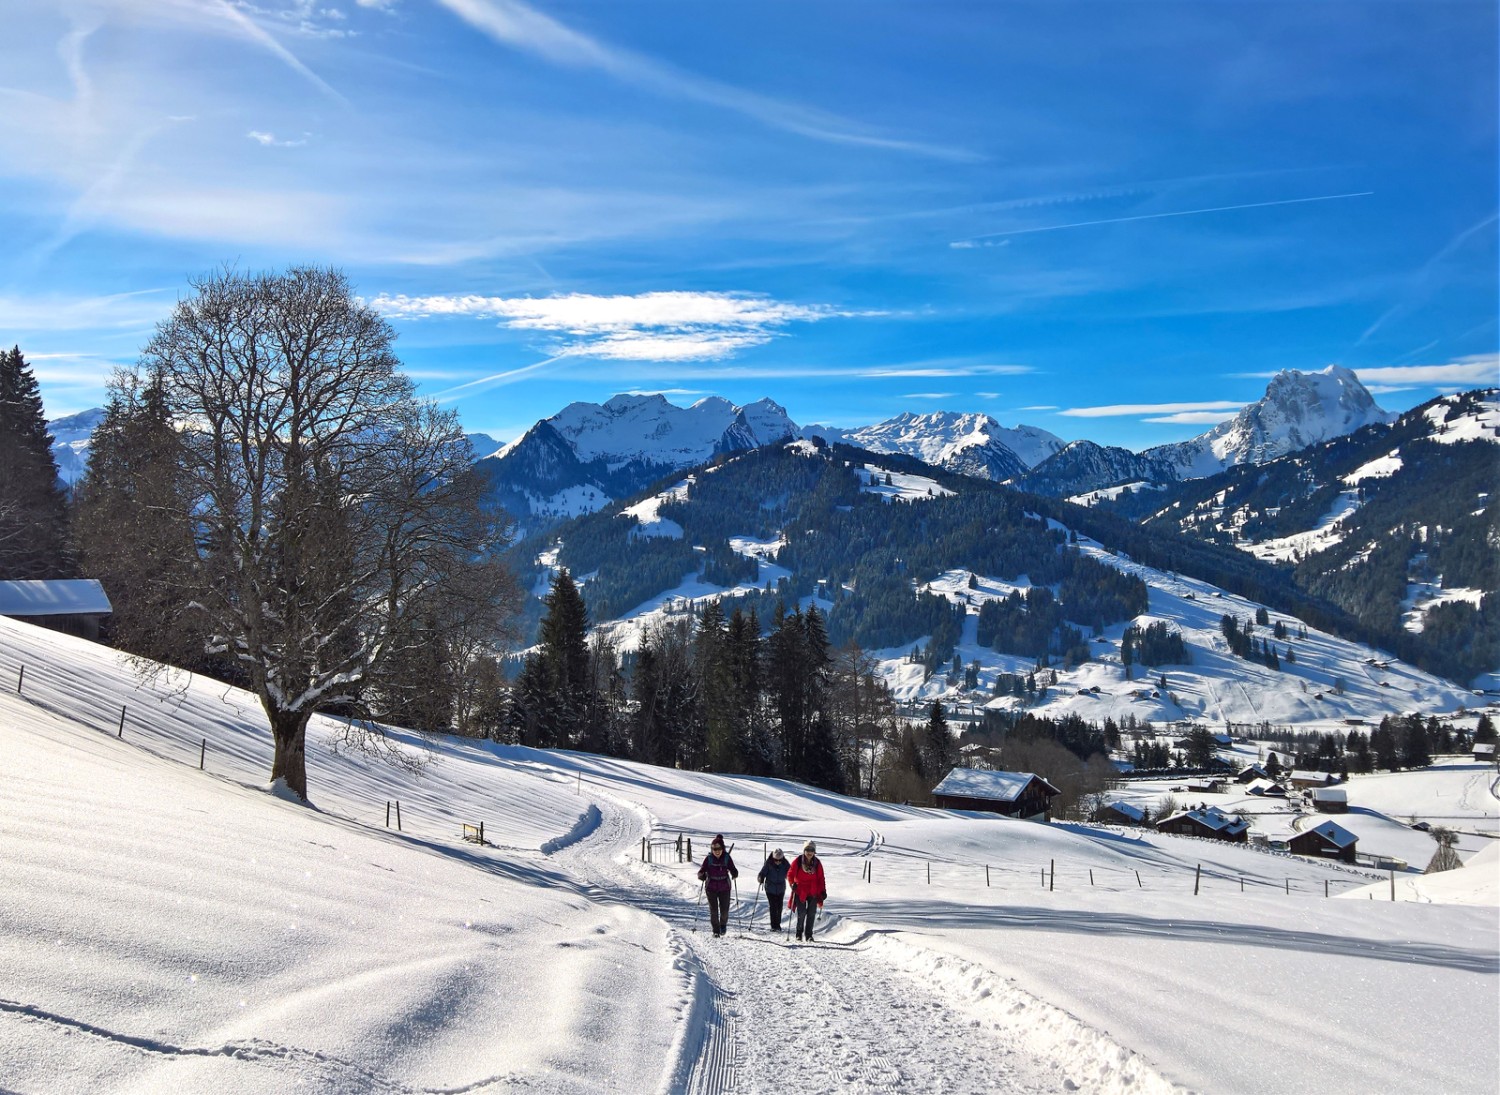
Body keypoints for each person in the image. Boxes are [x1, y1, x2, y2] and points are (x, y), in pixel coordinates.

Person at [697, 834, 738, 937]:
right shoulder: (709, 859)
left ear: (722, 849)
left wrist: (734, 872)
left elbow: (733, 868)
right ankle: (716, 931)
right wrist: (701, 875)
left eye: (719, 848)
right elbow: (701, 871)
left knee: (724, 910)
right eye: (714, 849)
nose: (717, 851)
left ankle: (723, 925)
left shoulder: (727, 858)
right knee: (714, 910)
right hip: (711, 887)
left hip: (725, 887)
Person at [785, 840, 826, 942]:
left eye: (812, 850)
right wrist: (791, 884)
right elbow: (790, 874)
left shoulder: (817, 863)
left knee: (811, 913)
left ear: (814, 852)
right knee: (802, 912)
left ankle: (809, 935)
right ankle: (799, 933)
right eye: (807, 849)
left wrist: (823, 891)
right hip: (800, 890)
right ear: (804, 850)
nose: (809, 852)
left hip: (813, 890)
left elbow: (821, 878)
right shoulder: (798, 861)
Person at [757, 848, 791, 932]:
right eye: (776, 860)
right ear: (773, 858)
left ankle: (778, 925)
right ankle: (773, 925)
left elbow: (790, 873)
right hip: (770, 888)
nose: (778, 862)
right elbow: (762, 873)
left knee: (779, 907)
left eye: (780, 860)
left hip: (781, 888)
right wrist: (760, 878)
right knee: (773, 906)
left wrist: (793, 880)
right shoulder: (769, 863)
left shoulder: (785, 863)